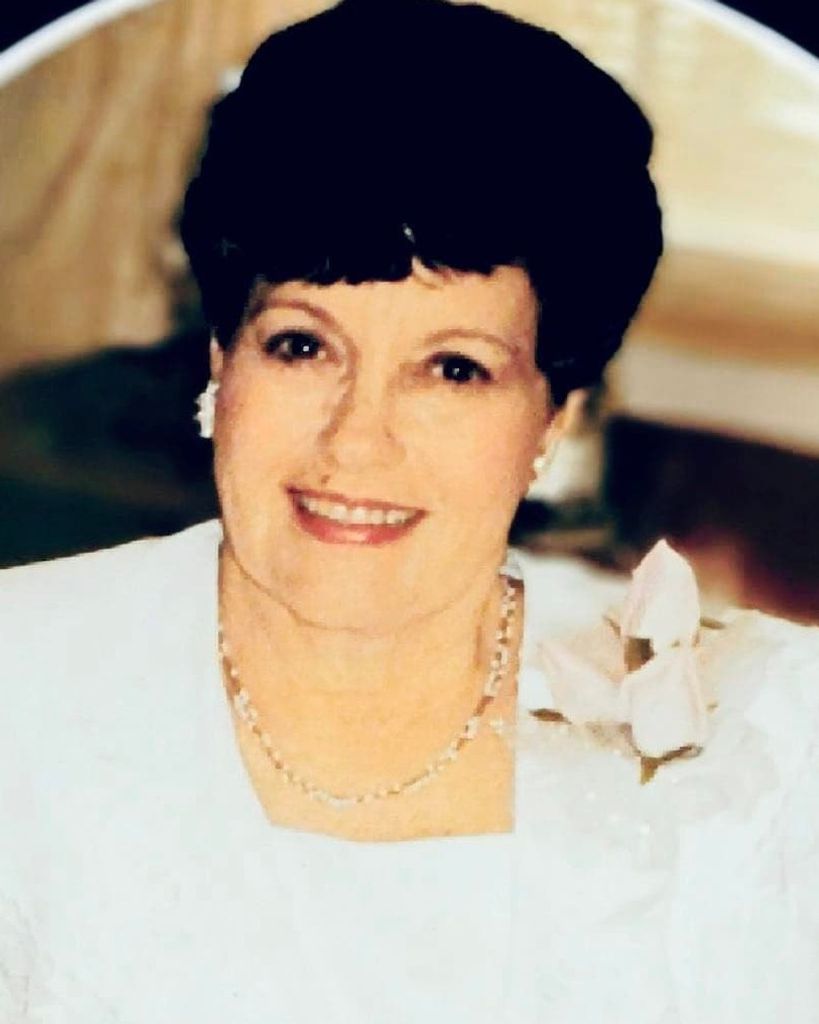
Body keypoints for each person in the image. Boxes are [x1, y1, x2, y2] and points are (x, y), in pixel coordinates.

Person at [1, 0, 817, 1020]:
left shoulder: (767, 736)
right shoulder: (20, 681)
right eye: (302, 345)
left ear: (551, 418)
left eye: (453, 369)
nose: (356, 441)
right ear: (221, 360)